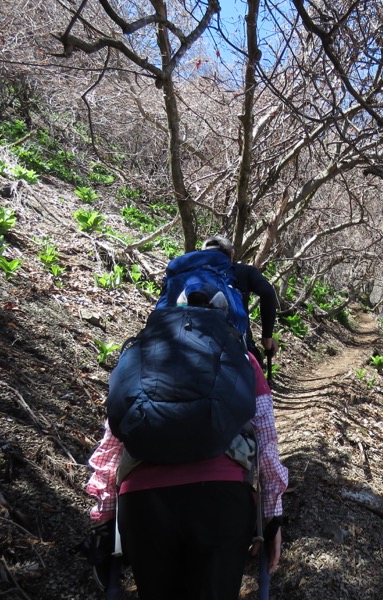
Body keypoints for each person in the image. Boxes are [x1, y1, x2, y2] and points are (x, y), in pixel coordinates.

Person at [85, 350, 288, 599]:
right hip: (221, 500)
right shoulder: (242, 358)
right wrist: (271, 517)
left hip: (142, 504)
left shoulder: (138, 354)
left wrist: (104, 520)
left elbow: (111, 445)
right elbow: (266, 442)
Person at [201, 235, 278, 368]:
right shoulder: (244, 272)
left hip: (187, 342)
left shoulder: (188, 273)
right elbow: (268, 293)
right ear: (232, 255)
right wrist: (267, 337)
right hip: (235, 346)